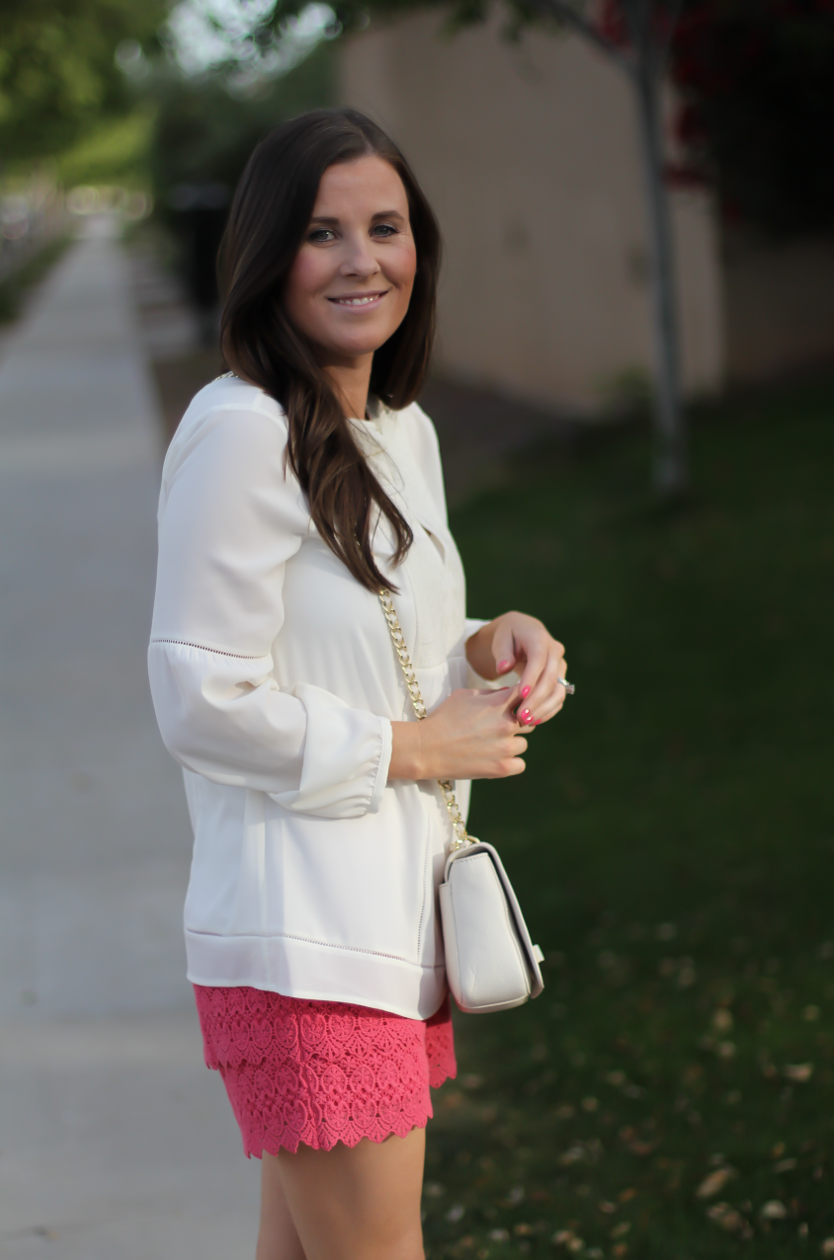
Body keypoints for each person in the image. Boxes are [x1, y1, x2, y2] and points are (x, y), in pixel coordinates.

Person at [148, 108, 569, 1260]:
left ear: (418, 247)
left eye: (384, 227)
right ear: (267, 254)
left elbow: (371, 628)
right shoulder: (239, 432)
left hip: (391, 935)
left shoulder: (400, 430)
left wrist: (492, 642)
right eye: (322, 232)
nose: (360, 258)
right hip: (302, 946)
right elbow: (197, 695)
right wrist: (415, 749)